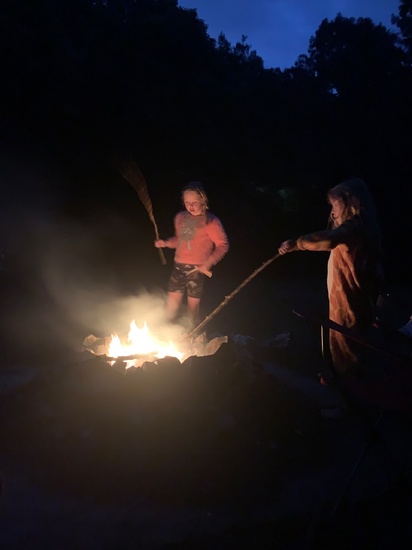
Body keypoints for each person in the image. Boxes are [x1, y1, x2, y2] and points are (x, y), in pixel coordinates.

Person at [278, 178, 384, 379]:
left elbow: (330, 239)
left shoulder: (356, 225)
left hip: (351, 298)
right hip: (348, 297)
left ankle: (350, 384)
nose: (333, 211)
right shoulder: (360, 226)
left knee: (348, 339)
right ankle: (345, 377)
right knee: (344, 337)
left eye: (335, 205)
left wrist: (297, 243)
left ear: (350, 203)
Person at [155, 182, 229, 329]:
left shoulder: (210, 221)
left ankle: (195, 335)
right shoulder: (181, 218)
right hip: (178, 267)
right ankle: (165, 333)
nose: (190, 206)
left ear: (203, 200)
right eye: (187, 202)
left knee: (193, 309)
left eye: (194, 202)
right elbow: (180, 240)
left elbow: (223, 245)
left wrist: (208, 263)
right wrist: (166, 243)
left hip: (197, 270)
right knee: (171, 305)